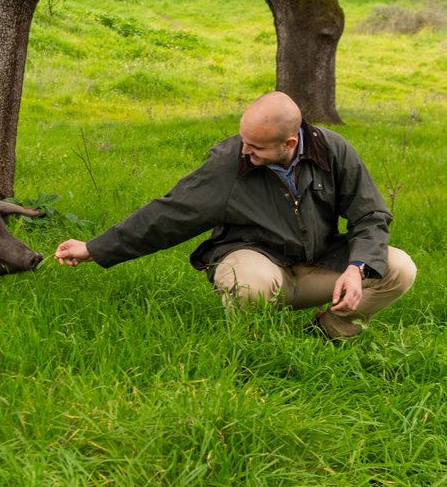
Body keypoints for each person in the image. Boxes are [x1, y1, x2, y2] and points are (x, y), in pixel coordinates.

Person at [54, 91, 417, 339]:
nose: (245, 151)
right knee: (253, 285)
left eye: (256, 146)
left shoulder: (332, 150)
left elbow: (370, 215)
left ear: (289, 143)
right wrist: (95, 248)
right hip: (255, 263)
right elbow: (169, 214)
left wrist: (355, 269)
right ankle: (254, 348)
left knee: (398, 267)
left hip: (316, 264)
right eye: (243, 140)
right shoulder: (230, 162)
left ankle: (327, 335)